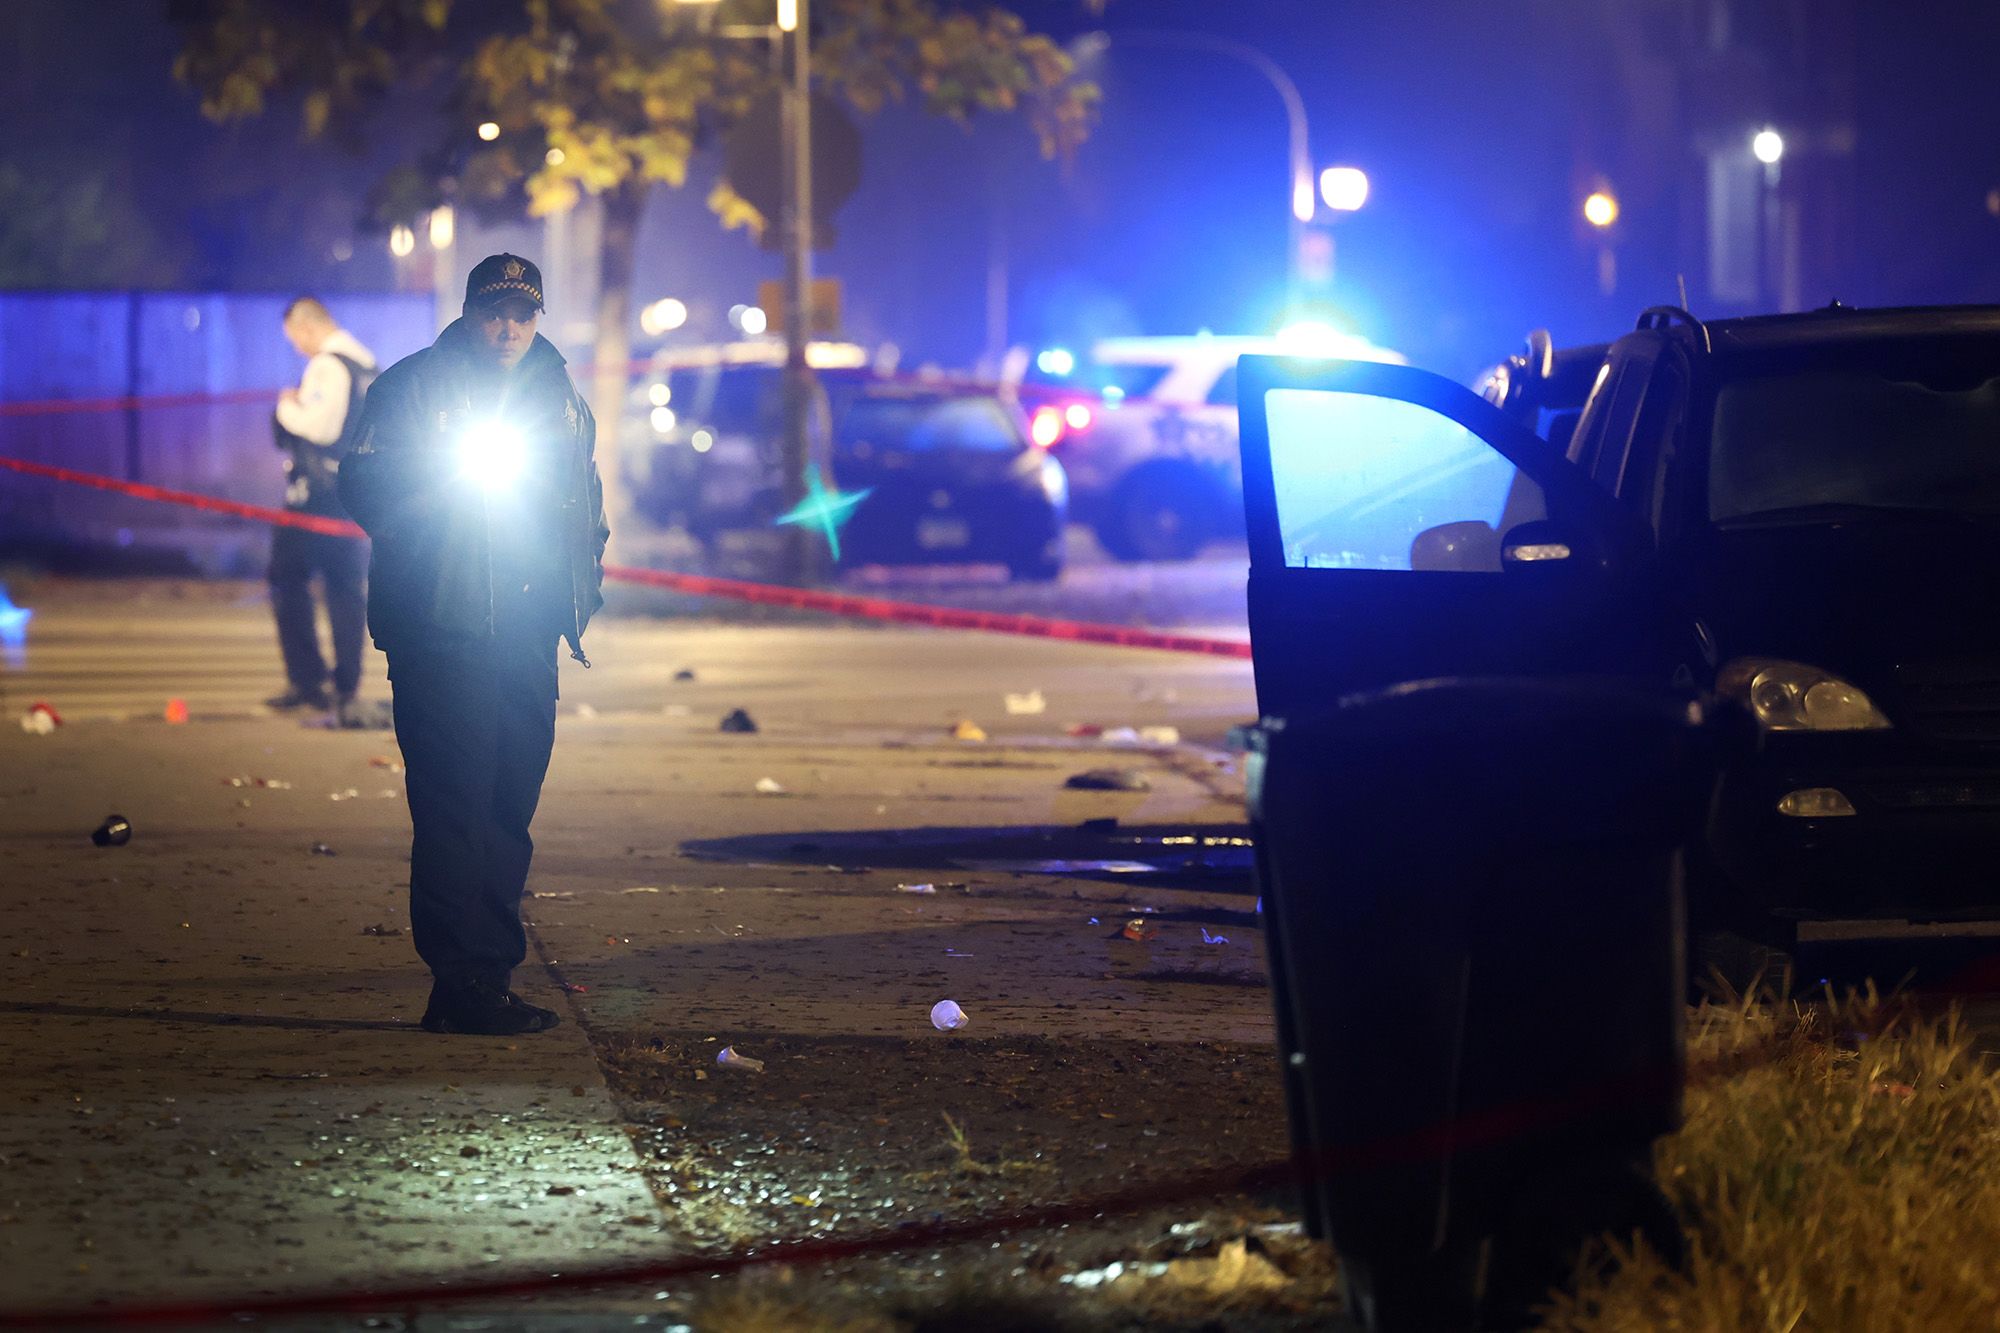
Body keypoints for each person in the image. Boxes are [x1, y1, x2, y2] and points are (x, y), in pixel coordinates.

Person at [339, 254, 608, 1036]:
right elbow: (362, 484)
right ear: (469, 312)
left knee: (507, 806)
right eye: (495, 312)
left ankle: (490, 973)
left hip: (528, 631)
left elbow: (584, 499)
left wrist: (580, 582)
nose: (509, 329)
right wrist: (432, 512)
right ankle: (456, 983)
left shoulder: (559, 396)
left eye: (524, 315)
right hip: (442, 628)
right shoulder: (415, 385)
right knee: (454, 805)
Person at [269, 297, 376, 721]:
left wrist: (286, 405)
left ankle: (307, 680)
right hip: (354, 493)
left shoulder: (329, 365)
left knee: (285, 576)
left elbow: (319, 426)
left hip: (316, 496)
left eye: (295, 337)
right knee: (346, 587)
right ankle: (346, 682)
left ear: (306, 326)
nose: (297, 348)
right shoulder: (367, 364)